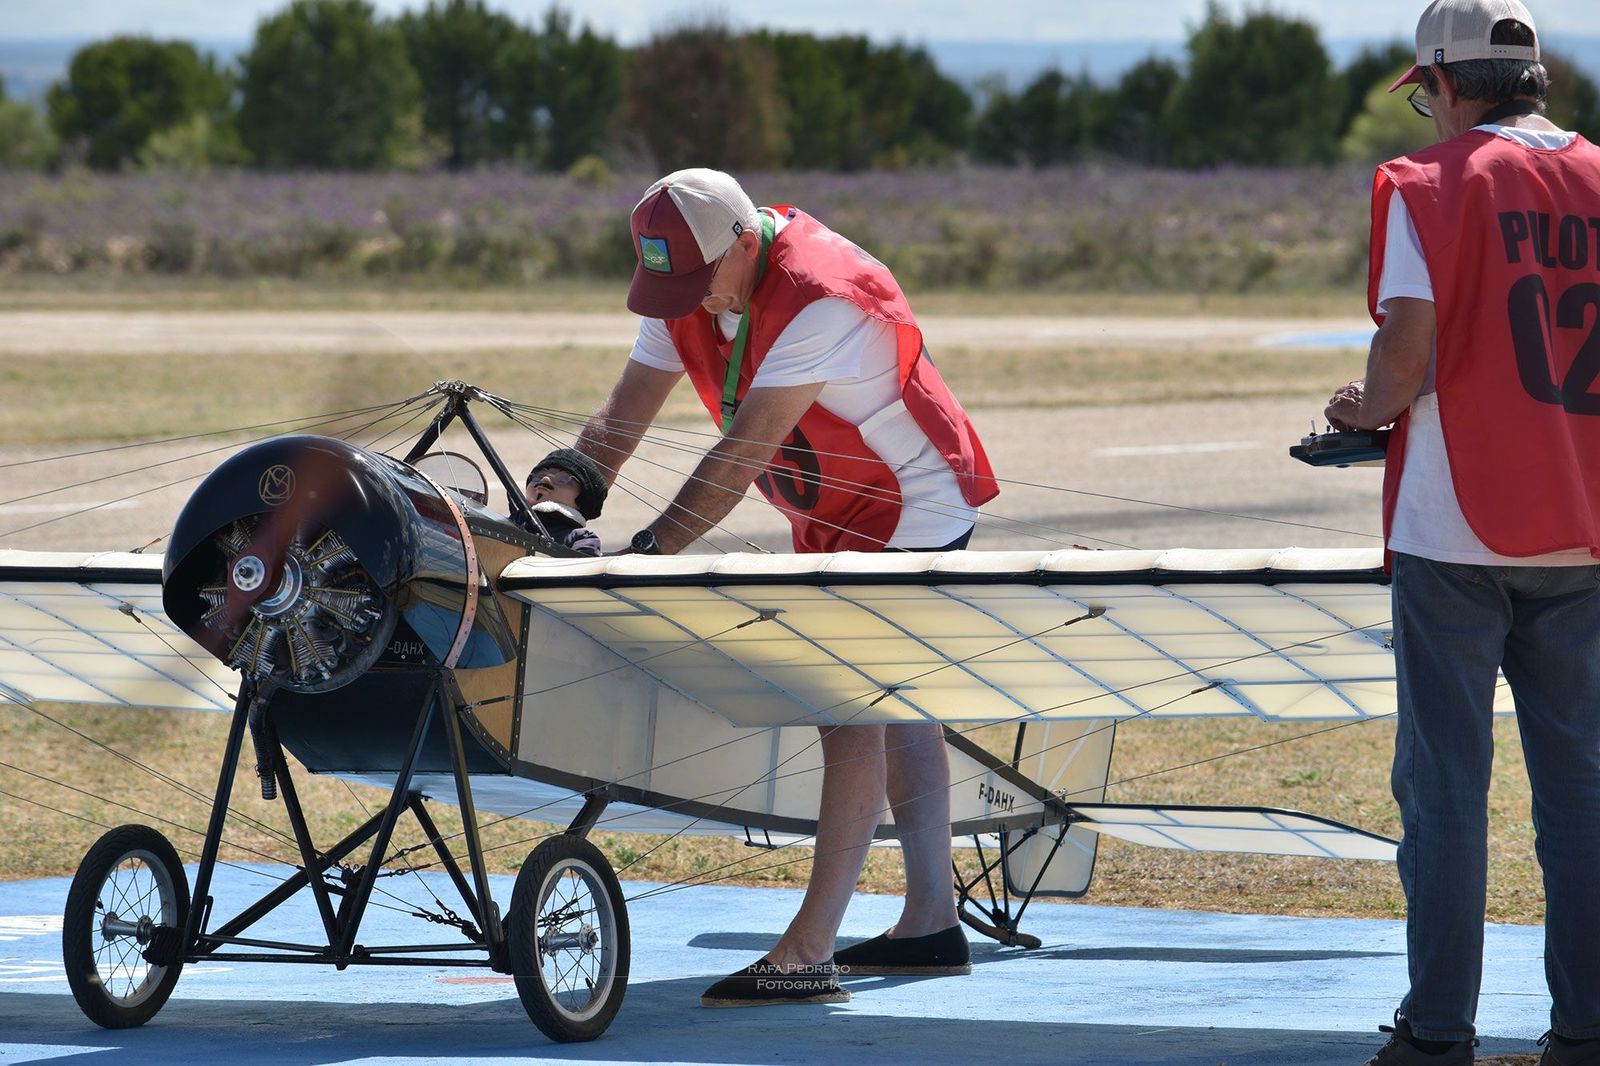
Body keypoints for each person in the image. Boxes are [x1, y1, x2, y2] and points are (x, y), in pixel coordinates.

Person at [574, 167, 999, 1007]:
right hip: (836, 507)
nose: (685, 303)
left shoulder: (821, 294)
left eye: (697, 282)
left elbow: (741, 454)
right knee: (896, 704)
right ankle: (931, 924)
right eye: (668, 285)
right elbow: (620, 418)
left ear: (742, 241)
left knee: (850, 705)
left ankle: (808, 952)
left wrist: (649, 552)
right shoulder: (687, 289)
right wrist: (556, 501)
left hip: (910, 503)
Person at [1320, 3, 1600, 1063]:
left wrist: (1364, 408)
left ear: (1445, 83)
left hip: (1456, 527)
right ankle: (1584, 1026)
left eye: (1424, 93)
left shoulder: (1428, 183)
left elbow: (1406, 346)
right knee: (1578, 791)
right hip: (1584, 525)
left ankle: (1437, 1030)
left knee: (1444, 789)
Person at [520, 448, 605, 556]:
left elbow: (584, 569)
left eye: (563, 479)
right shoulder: (512, 522)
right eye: (538, 476)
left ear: (581, 500)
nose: (545, 479)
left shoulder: (581, 540)